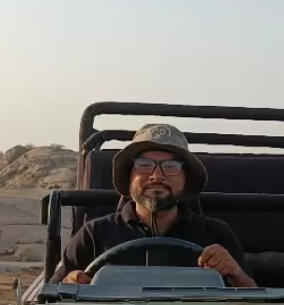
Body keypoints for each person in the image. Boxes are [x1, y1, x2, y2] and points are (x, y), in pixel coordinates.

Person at [53, 122, 257, 287]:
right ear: (129, 176)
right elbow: (48, 299)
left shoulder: (215, 235)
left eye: (170, 166)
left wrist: (235, 271)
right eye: (144, 165)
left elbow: (255, 304)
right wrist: (70, 283)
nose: (157, 176)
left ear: (186, 179)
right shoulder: (94, 234)